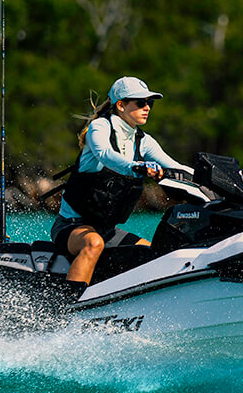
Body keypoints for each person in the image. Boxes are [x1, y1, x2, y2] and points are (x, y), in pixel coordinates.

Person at [51, 76, 189, 287]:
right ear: (121, 105)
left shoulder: (143, 141)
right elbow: (105, 154)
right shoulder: (100, 127)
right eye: (141, 102)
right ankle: (69, 310)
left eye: (149, 103)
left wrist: (219, 182)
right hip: (72, 227)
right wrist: (135, 166)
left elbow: (176, 166)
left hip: (108, 231)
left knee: (154, 255)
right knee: (93, 243)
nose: (147, 108)